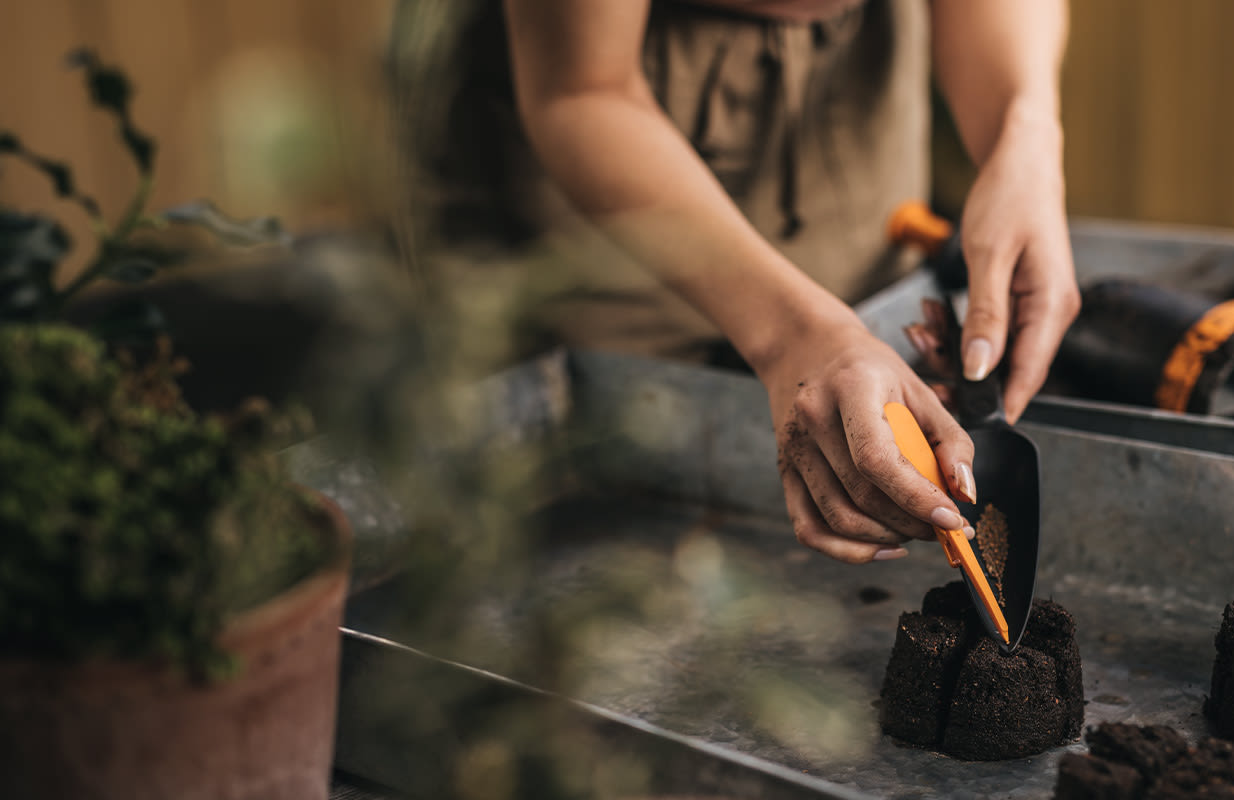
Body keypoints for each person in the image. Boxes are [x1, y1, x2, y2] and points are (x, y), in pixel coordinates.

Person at [392, 0, 1079, 565]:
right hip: (605, 139)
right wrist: (792, 335)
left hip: (856, 80)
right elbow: (581, 89)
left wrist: (1025, 135)